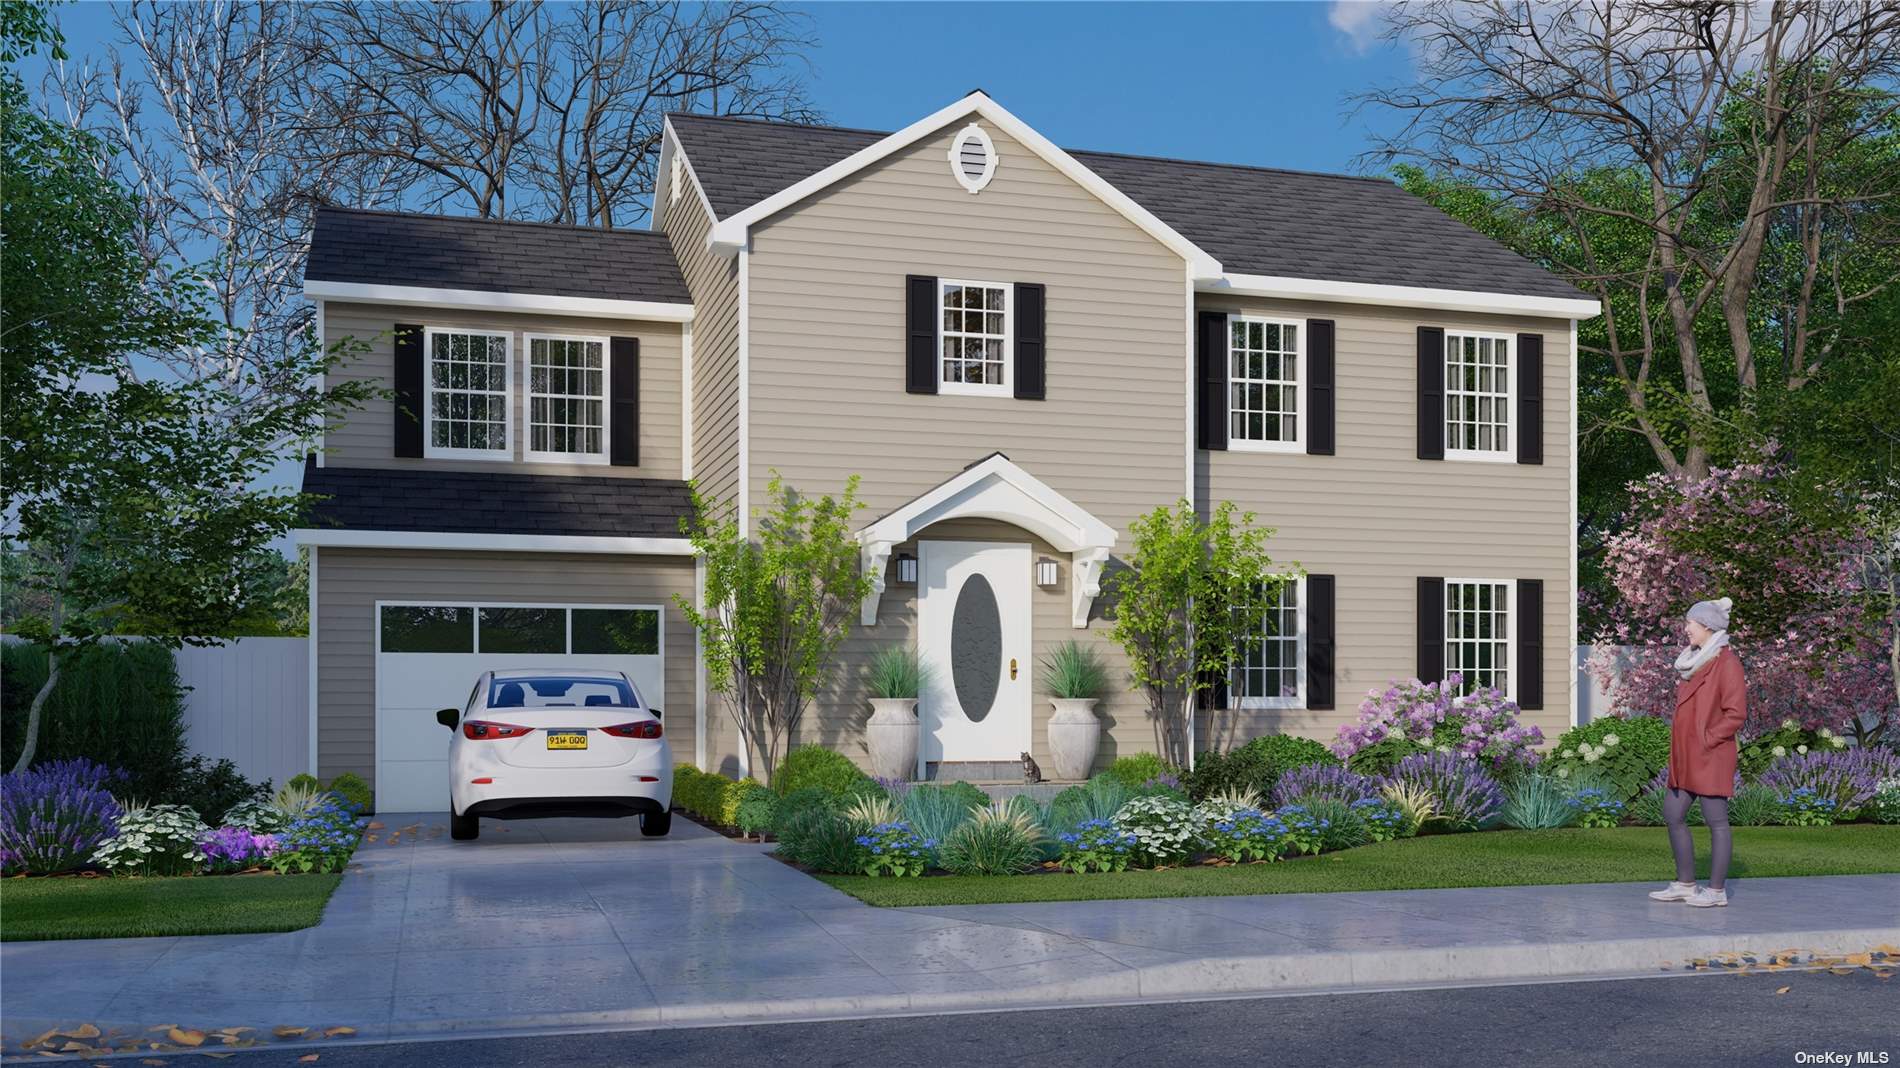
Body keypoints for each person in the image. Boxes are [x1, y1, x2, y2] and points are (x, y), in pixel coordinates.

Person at [1648, 597, 1746, 908]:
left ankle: (1716, 891)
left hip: (1711, 753)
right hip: (1686, 755)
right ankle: (1686, 883)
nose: (1686, 628)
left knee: (1716, 820)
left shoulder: (1727, 663)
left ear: (1706, 626)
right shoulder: (1694, 660)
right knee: (1672, 813)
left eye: (1690, 623)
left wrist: (1707, 738)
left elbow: (1736, 713)